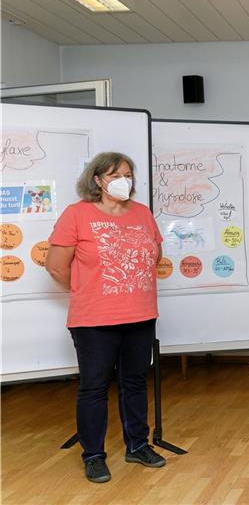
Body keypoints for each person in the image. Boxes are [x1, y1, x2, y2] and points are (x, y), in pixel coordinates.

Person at [45, 152, 167, 484]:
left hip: (140, 315)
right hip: (94, 321)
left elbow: (156, 254)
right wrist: (90, 292)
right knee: (94, 387)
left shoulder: (142, 213)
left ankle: (138, 446)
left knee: (135, 382)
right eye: (114, 175)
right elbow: (55, 266)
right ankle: (94, 456)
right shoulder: (77, 215)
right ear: (97, 180)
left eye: (127, 174)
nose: (123, 180)